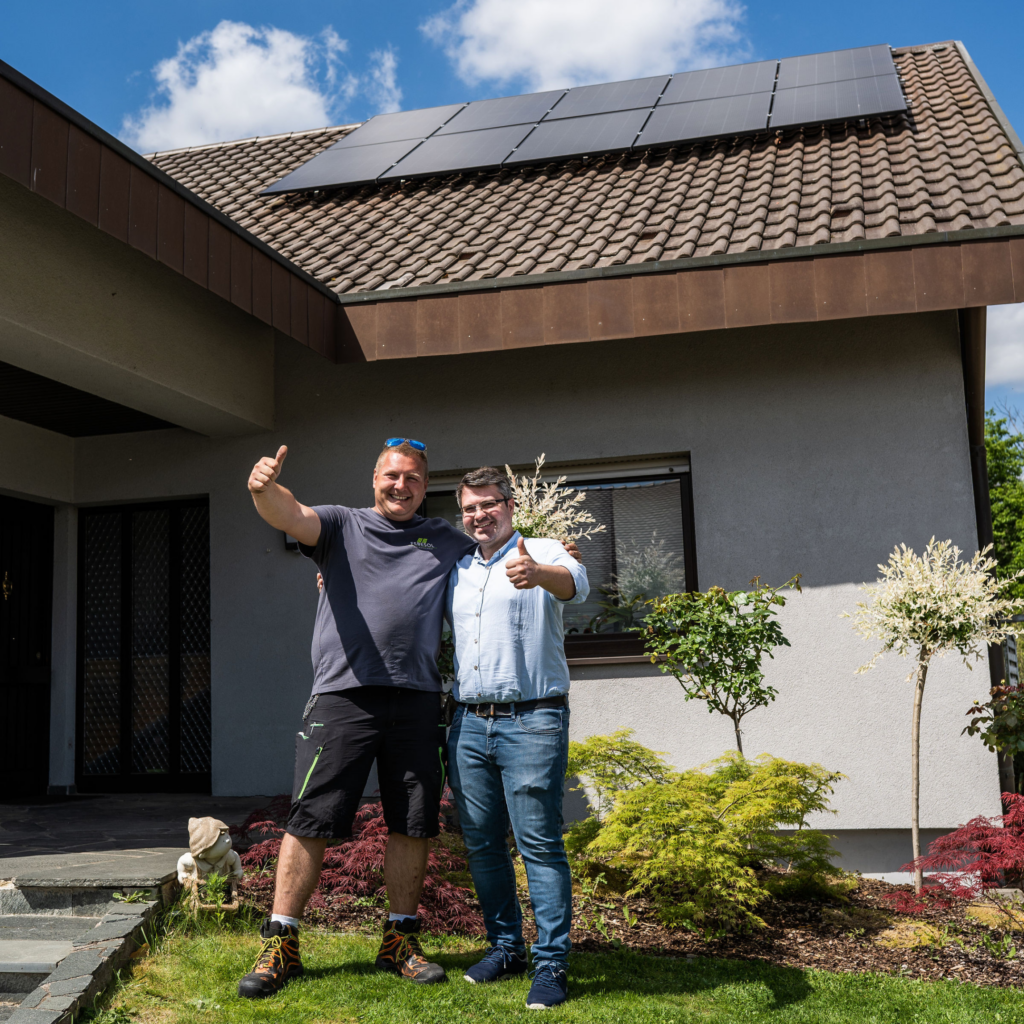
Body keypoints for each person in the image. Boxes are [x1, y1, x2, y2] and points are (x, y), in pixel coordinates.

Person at [238, 438, 476, 997]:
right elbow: (290, 514)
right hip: (342, 698)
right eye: (392, 476)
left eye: (413, 478)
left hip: (417, 699)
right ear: (375, 478)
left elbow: (496, 555)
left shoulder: (444, 539)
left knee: (413, 821)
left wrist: (558, 556)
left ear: (425, 485)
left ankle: (399, 941)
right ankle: (281, 942)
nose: (401, 486)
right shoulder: (342, 526)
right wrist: (263, 489)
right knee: (311, 820)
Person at [446, 467, 588, 1011]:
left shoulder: (545, 548)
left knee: (540, 845)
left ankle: (551, 963)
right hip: (468, 723)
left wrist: (540, 572)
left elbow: (576, 585)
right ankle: (505, 949)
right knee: (482, 845)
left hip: (533, 720)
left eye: (489, 504)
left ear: (509, 505)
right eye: (469, 508)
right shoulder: (456, 567)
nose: (480, 515)